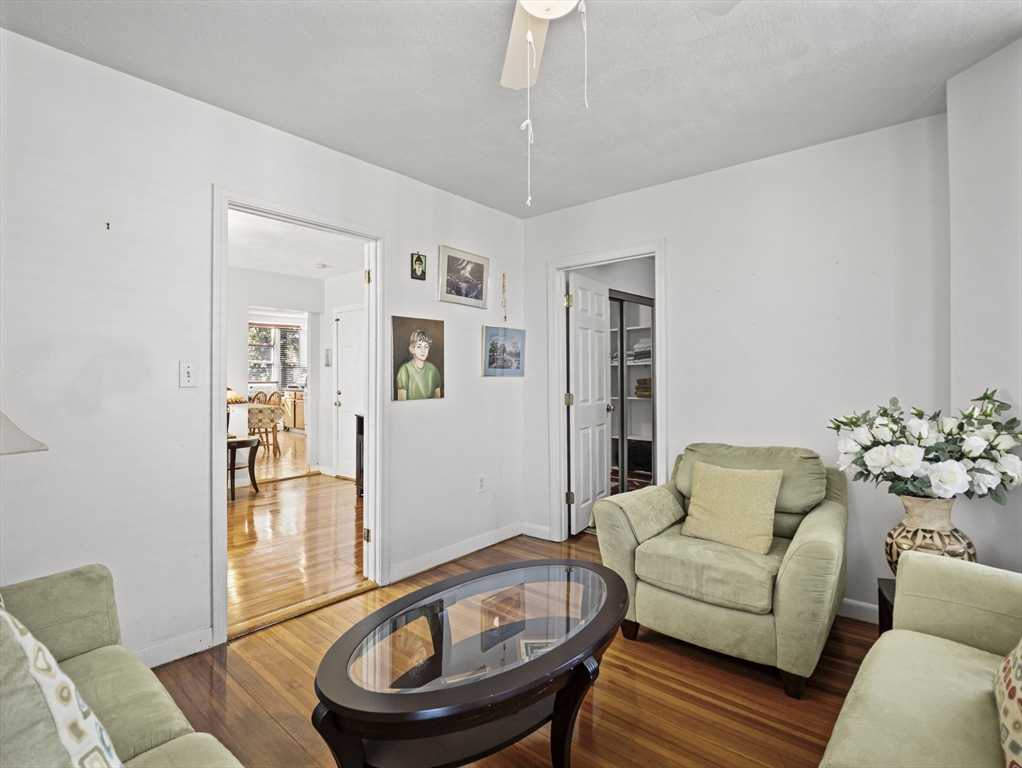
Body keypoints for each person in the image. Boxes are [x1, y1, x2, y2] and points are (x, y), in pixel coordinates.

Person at [396, 329, 441, 400]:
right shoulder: (405, 369)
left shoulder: (433, 369)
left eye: (426, 347)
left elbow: (438, 398)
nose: (423, 350)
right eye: (419, 346)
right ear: (412, 349)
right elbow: (401, 401)